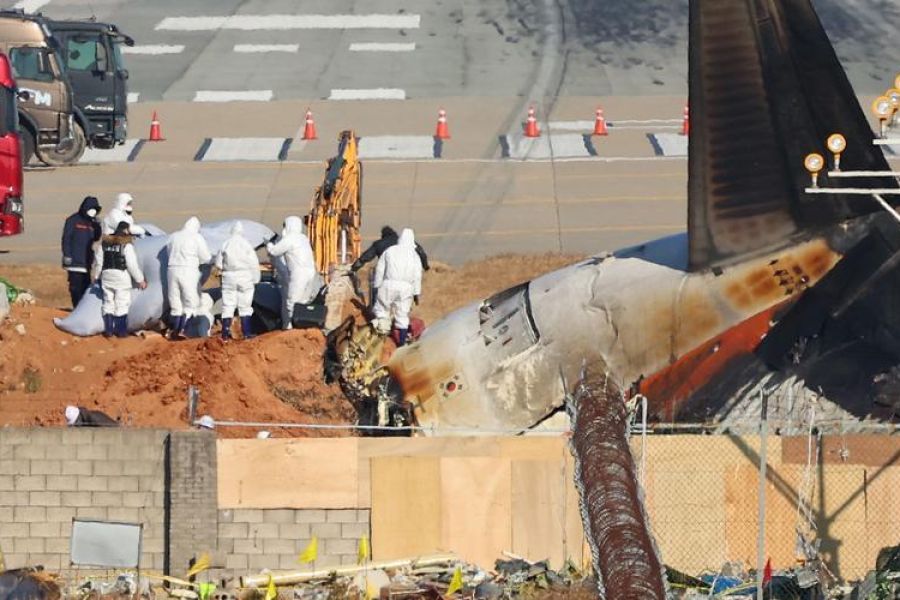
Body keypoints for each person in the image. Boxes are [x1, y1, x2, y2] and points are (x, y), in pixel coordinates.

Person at [351, 225, 429, 305]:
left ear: (383, 235)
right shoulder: (408, 242)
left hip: (386, 276)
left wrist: (353, 269)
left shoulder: (379, 244)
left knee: (376, 286)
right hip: (405, 277)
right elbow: (421, 253)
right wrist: (426, 266)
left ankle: (375, 305)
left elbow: (365, 257)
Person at [93, 221, 147, 337]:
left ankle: (108, 330)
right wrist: (140, 280)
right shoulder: (127, 245)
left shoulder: (104, 244)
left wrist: (96, 277)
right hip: (121, 277)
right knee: (122, 303)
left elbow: (99, 262)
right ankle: (121, 331)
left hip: (106, 276)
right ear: (126, 231)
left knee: (108, 302)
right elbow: (132, 265)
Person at [373, 228, 422, 346]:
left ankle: (380, 340)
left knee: (382, 310)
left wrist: (377, 285)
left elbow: (380, 269)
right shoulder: (414, 255)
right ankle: (401, 343)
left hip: (388, 284)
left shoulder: (389, 251)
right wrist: (416, 293)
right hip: (406, 288)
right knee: (402, 315)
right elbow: (417, 275)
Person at [266, 216, 316, 330]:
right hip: (310, 273)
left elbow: (274, 251)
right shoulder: (303, 238)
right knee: (303, 301)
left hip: (299, 274)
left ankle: (291, 328)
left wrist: (269, 244)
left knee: (292, 301)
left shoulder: (290, 238)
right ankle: (302, 326)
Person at [167, 216, 211, 339]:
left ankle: (174, 330)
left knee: (175, 302)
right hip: (189, 270)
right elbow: (206, 257)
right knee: (191, 303)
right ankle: (183, 330)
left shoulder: (173, 236)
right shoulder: (197, 237)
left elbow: (168, 252)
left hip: (171, 270)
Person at [215, 221, 261, 340]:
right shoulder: (246, 244)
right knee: (245, 305)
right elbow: (254, 263)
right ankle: (247, 333)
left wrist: (225, 269)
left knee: (228, 305)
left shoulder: (226, 243)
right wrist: (256, 278)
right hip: (245, 276)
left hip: (228, 277)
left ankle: (225, 334)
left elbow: (218, 263)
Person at [61, 195, 102, 307]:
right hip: (74, 262)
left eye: (95, 210)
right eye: (90, 209)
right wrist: (67, 255)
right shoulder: (73, 220)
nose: (93, 212)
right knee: (76, 288)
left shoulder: (92, 223)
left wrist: (97, 226)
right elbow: (66, 239)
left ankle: (82, 309)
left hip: (86, 262)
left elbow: (96, 238)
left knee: (86, 288)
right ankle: (76, 308)